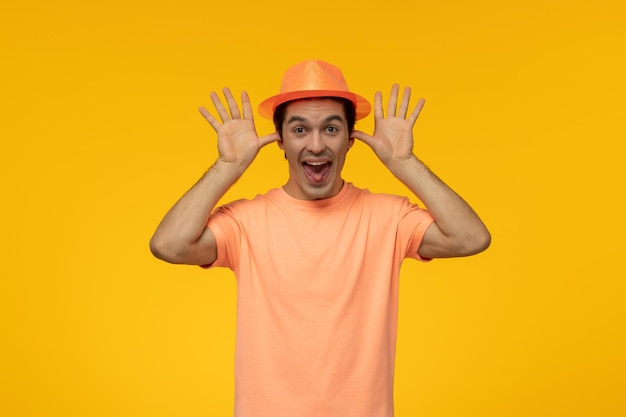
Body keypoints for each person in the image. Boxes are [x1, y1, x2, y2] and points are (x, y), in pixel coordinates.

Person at [150, 60, 490, 417]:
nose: (316, 145)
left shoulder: (387, 217)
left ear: (350, 138)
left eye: (331, 128)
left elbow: (470, 239)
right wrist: (227, 167)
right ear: (279, 139)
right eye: (299, 130)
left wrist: (403, 163)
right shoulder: (246, 222)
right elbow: (168, 245)